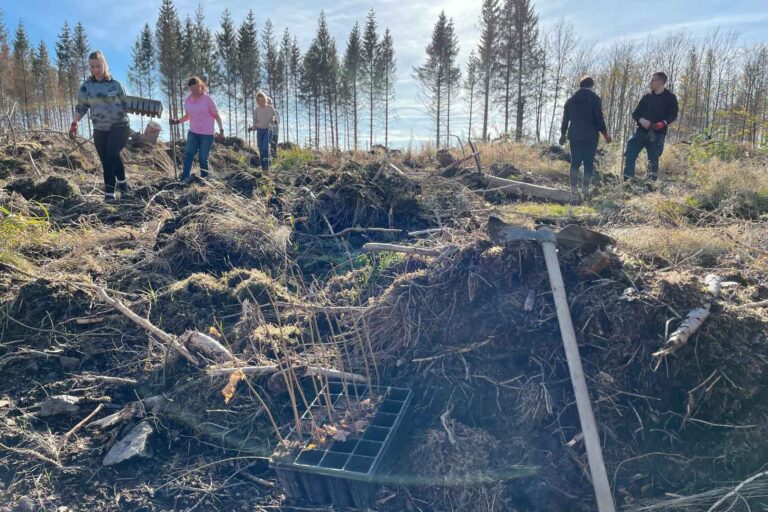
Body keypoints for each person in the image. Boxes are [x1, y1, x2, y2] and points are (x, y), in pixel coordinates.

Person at [70, 51, 130, 202]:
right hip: (100, 129)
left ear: (104, 65)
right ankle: (109, 194)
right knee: (106, 161)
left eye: (98, 66)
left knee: (112, 153)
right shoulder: (87, 87)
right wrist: (75, 123)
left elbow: (126, 105)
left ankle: (123, 186)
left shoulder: (116, 85)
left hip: (119, 125)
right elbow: (81, 107)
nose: (96, 70)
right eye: (92, 67)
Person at [559, 76, 612, 197]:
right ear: (592, 86)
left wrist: (563, 134)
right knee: (588, 163)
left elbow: (565, 120)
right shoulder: (595, 99)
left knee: (575, 163)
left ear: (580, 85)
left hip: (575, 135)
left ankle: (573, 190)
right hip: (590, 136)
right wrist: (605, 134)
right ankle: (585, 189)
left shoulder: (570, 101)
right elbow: (599, 118)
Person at [623, 71, 679, 182]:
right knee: (630, 152)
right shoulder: (647, 98)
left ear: (661, 82)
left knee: (653, 159)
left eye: (653, 80)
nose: (651, 82)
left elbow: (673, 114)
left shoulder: (670, 98)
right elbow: (635, 113)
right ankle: (627, 181)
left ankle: (650, 183)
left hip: (657, 134)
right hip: (641, 132)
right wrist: (641, 120)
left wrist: (663, 123)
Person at [170, 77, 225, 185]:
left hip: (207, 134)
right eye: (192, 89)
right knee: (189, 154)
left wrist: (221, 130)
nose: (195, 91)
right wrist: (177, 121)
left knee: (203, 157)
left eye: (196, 88)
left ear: (201, 86)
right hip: (193, 132)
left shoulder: (207, 99)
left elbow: (216, 116)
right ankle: (185, 178)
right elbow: (188, 116)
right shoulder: (188, 101)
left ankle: (204, 178)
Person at [248, 91, 280, 171]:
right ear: (257, 101)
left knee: (265, 148)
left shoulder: (270, 108)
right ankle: (263, 167)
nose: (260, 102)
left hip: (268, 130)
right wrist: (251, 128)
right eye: (259, 100)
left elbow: (276, 119)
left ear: (265, 100)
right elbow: (255, 123)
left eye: (262, 100)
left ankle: (266, 166)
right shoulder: (256, 110)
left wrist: (274, 121)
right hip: (259, 131)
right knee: (260, 149)